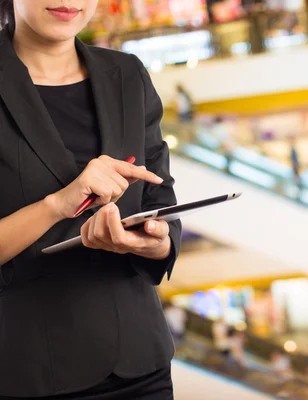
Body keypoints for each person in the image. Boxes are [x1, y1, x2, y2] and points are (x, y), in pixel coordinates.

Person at [0, 3, 183, 398]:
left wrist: (155, 241)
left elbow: (159, 194)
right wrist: (58, 204)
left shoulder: (127, 74)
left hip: (141, 365)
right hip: (29, 372)